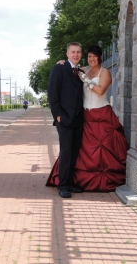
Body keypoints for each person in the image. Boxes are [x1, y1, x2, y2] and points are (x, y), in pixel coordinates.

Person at [46, 45, 128, 192]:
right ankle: (64, 185)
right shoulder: (82, 70)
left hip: (101, 115)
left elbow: (100, 90)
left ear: (100, 57)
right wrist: (62, 62)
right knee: (70, 150)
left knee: (78, 150)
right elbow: (57, 87)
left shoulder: (105, 73)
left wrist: (86, 80)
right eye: (89, 56)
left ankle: (70, 182)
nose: (92, 59)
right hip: (84, 116)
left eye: (95, 56)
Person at [47, 42, 84, 198]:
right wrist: (58, 115)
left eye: (78, 52)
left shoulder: (81, 72)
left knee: (74, 152)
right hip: (64, 119)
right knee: (66, 151)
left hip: (78, 119)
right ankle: (62, 186)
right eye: (73, 52)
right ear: (67, 54)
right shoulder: (59, 68)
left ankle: (69, 183)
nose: (76, 54)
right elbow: (52, 94)